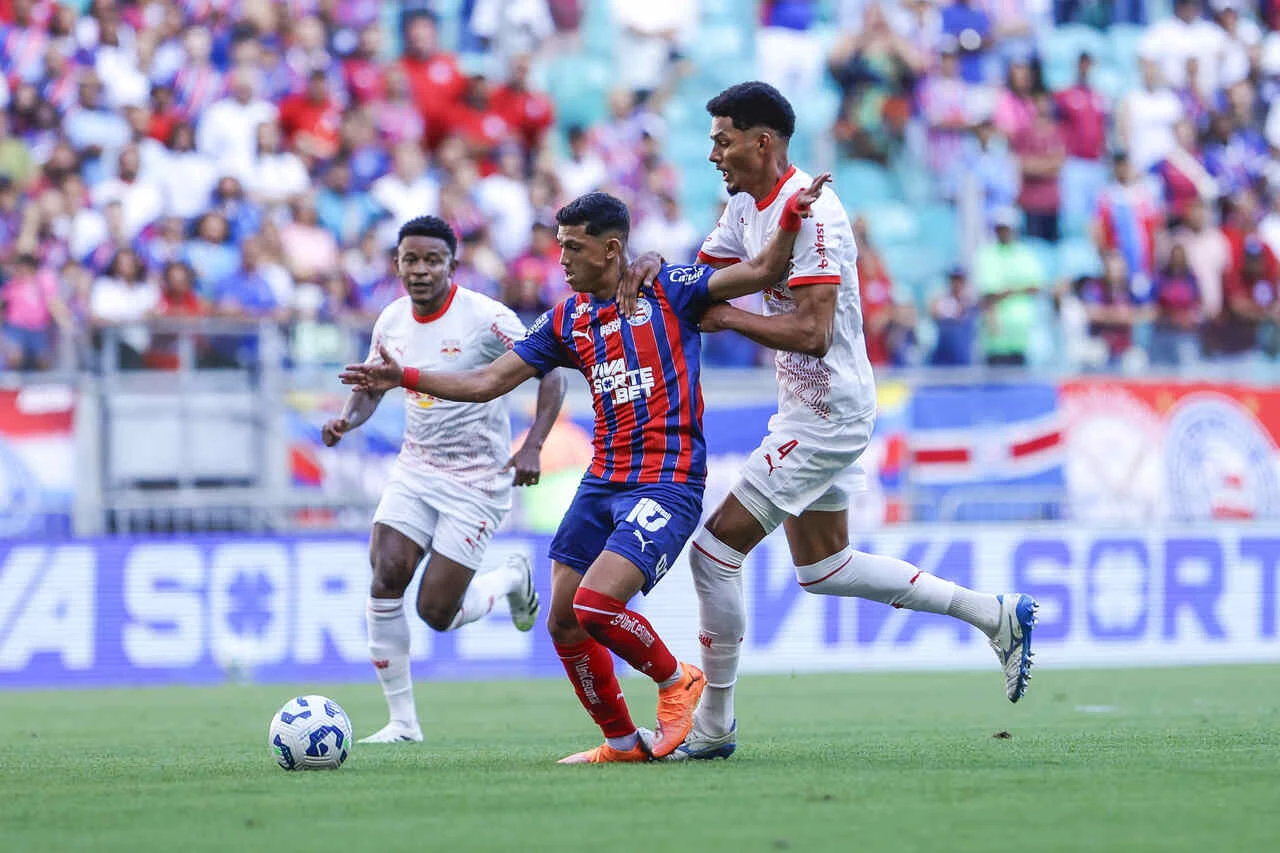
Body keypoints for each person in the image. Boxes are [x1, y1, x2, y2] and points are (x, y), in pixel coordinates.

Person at [340, 181, 830, 763]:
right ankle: (623, 743)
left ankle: (679, 682)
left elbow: (763, 268)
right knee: (564, 622)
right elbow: (486, 383)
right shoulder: (567, 318)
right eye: (561, 246)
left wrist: (793, 217)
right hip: (602, 482)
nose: (563, 259)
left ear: (611, 249)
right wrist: (407, 378)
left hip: (666, 482)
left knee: (596, 607)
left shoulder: (671, 290)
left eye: (573, 247)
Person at [620, 81, 1039, 762]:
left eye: (722, 139)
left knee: (713, 552)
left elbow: (812, 332)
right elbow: (708, 278)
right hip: (810, 404)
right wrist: (663, 275)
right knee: (825, 566)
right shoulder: (742, 206)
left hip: (828, 409)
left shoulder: (815, 216)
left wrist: (723, 315)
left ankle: (714, 725)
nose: (712, 154)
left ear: (762, 142)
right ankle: (994, 614)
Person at [322, 215, 567, 744]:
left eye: (433, 259)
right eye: (411, 259)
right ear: (397, 264)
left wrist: (534, 443)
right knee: (386, 573)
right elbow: (374, 385)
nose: (421, 269)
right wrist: (347, 419)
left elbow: (551, 370)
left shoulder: (486, 317)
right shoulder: (389, 321)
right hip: (416, 469)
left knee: (436, 612)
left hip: (478, 480)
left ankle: (510, 579)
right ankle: (403, 724)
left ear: (453, 265)